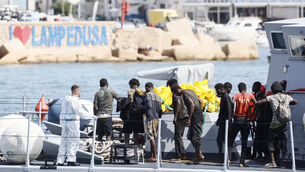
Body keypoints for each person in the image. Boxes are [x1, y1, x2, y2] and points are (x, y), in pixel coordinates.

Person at [257, 81, 298, 168]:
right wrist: (287, 103)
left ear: (273, 90)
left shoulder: (271, 97)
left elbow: (259, 103)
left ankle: (273, 162)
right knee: (283, 143)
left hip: (274, 124)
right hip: (284, 124)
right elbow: (296, 102)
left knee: (270, 141)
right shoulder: (287, 97)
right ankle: (283, 163)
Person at [57, 85, 93, 166]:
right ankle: (71, 160)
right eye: (80, 91)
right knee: (73, 141)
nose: (80, 93)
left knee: (63, 142)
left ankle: (60, 161)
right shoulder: (75, 101)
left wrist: (61, 123)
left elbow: (62, 112)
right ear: (76, 91)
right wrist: (91, 116)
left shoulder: (65, 100)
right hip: (73, 123)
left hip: (64, 122)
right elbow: (80, 112)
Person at [171, 85, 204, 164]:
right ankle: (199, 154)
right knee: (190, 136)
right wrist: (199, 110)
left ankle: (197, 156)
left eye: (175, 93)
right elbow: (199, 101)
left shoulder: (184, 94)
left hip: (195, 116)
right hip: (198, 114)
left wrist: (189, 118)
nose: (176, 95)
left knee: (196, 137)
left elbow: (192, 104)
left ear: (178, 90)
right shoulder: (190, 90)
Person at [228, 82, 256, 167]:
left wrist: (232, 111)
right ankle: (242, 162)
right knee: (244, 141)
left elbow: (232, 102)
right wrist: (252, 114)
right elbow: (256, 103)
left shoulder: (236, 95)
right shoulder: (250, 96)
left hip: (237, 120)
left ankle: (228, 159)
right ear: (246, 88)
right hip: (246, 121)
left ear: (239, 89)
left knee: (230, 140)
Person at [140, 82, 162, 162]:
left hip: (150, 118)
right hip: (156, 118)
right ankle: (155, 155)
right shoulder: (158, 96)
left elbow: (149, 105)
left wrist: (142, 107)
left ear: (147, 87)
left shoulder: (148, 95)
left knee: (151, 137)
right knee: (154, 137)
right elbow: (160, 109)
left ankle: (154, 156)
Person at [168, 79, 188, 160]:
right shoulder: (182, 92)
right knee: (179, 136)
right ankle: (179, 154)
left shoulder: (175, 93)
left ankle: (181, 154)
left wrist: (175, 117)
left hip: (180, 117)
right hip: (185, 115)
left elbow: (178, 103)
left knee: (178, 136)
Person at [214, 83, 233, 163]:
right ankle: (222, 156)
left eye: (217, 90)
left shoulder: (225, 97)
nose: (216, 92)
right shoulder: (224, 96)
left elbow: (229, 110)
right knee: (220, 140)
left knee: (220, 140)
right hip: (222, 122)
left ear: (220, 89)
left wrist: (228, 122)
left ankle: (222, 157)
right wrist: (219, 120)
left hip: (225, 123)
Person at [123, 78, 145, 144]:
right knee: (136, 131)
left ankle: (126, 145)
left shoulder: (131, 91)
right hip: (139, 115)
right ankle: (136, 144)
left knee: (127, 131)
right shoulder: (141, 92)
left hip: (130, 114)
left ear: (131, 85)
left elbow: (131, 100)